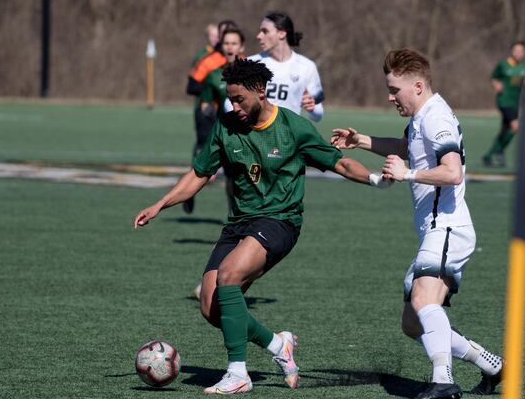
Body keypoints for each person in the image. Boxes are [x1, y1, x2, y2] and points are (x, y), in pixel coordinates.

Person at [135, 58, 384, 394]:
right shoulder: (225, 126)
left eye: (239, 99)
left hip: (280, 221)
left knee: (229, 276)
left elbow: (338, 161)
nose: (234, 106)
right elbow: (199, 174)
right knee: (212, 308)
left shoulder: (294, 128)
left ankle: (238, 373)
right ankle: (278, 345)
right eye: (230, 99)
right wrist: (160, 205)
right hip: (239, 224)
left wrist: (374, 178)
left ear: (261, 91)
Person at [331, 49, 503, 399]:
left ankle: (443, 381)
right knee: (413, 322)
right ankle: (492, 365)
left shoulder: (436, 117)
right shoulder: (423, 116)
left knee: (426, 301)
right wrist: (362, 140)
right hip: (435, 230)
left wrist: (408, 174)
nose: (390, 97)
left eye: (395, 90)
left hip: (448, 227)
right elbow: (409, 146)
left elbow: (452, 172)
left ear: (419, 86)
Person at [224, 12, 325, 122]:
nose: (259, 36)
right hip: (257, 134)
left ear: (281, 33)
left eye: (265, 31)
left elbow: (318, 115)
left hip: (288, 136)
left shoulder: (307, 66)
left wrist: (312, 108)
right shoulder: (251, 63)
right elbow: (229, 103)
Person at [183, 20, 239, 214]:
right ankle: (188, 191)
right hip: (207, 113)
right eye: (222, 36)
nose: (226, 42)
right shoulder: (208, 60)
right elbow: (191, 86)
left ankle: (235, 212)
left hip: (233, 116)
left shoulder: (245, 60)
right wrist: (214, 88)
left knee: (234, 170)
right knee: (203, 151)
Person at [482, 41, 525, 167]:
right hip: (504, 101)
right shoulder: (503, 65)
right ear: (512, 51)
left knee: (505, 131)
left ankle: (489, 155)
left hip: (515, 102)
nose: (518, 53)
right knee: (515, 126)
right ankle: (498, 151)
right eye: (516, 50)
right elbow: (494, 77)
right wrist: (496, 83)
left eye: (521, 51)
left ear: (524, 53)